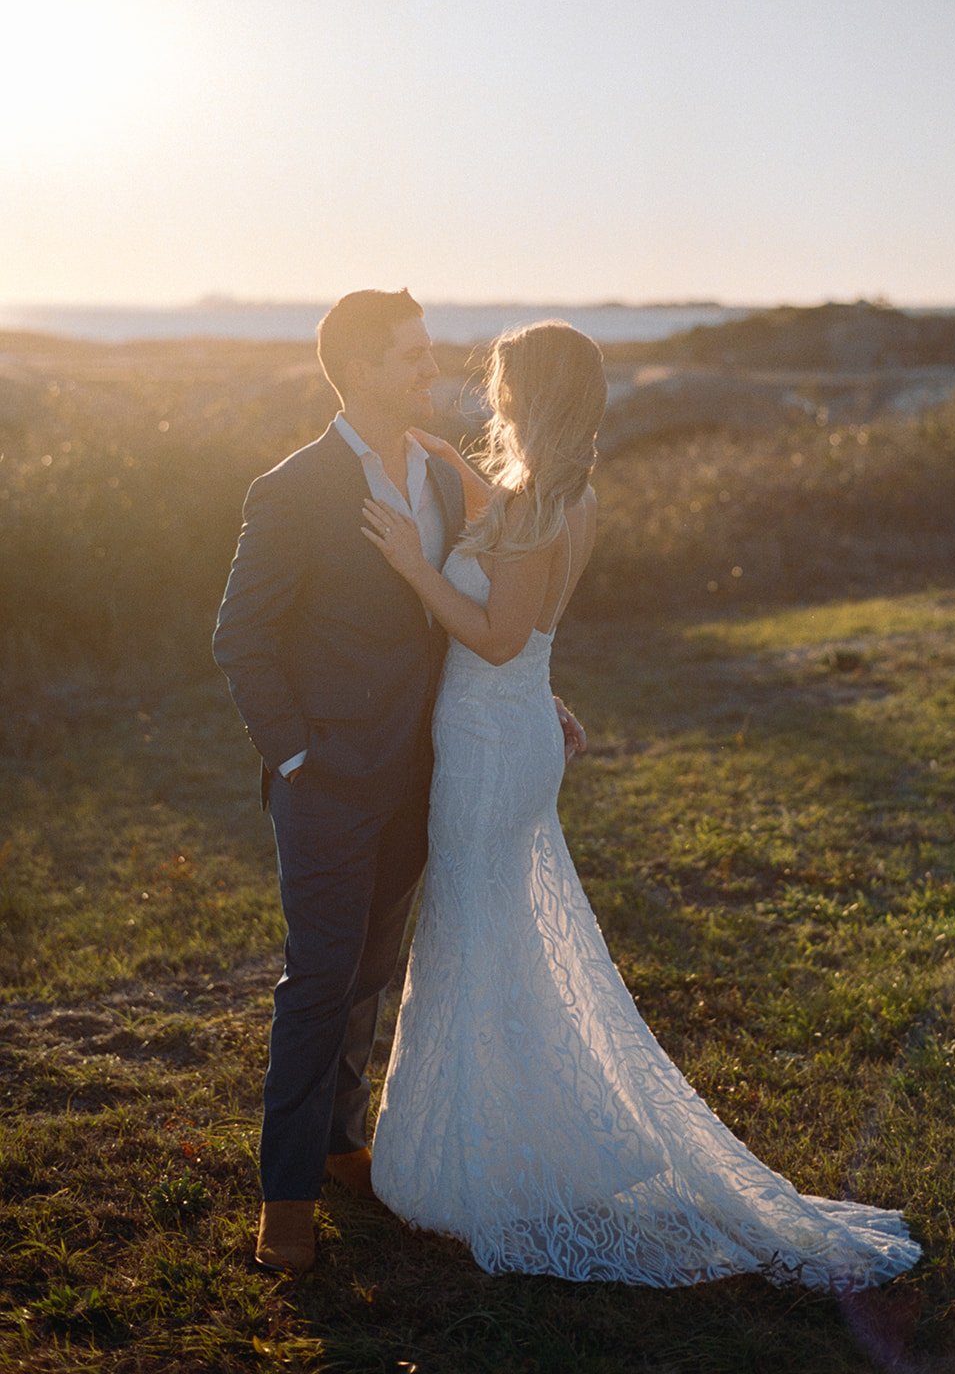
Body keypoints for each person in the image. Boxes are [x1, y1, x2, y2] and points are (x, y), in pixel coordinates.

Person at [361, 318, 922, 1292]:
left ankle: (489, 1161)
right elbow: (521, 612)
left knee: (474, 940)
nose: (486, 397)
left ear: (524, 396)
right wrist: (450, 467)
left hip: (492, 747)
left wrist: (413, 565)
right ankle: (517, 1138)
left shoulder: (539, 503)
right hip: (513, 729)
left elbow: (496, 636)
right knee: (494, 944)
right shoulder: (554, 497)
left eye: (498, 386)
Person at [211, 288, 588, 1274]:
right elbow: (238, 638)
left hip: (429, 773)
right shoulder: (290, 488)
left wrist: (532, 693)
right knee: (319, 978)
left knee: (371, 972)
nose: (434, 370)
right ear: (362, 368)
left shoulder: (437, 469)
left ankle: (339, 1143)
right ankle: (283, 1199)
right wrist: (295, 756)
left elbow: (496, 599)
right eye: (413, 357)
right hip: (326, 781)